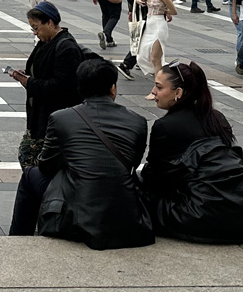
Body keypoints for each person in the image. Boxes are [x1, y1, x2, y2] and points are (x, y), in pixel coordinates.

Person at [8, 59, 154, 249]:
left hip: (77, 213)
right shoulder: (138, 121)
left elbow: (46, 165)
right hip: (124, 209)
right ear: (113, 88)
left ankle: (16, 242)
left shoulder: (61, 118)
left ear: (80, 88)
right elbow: (131, 163)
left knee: (30, 175)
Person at [141, 61, 243, 243]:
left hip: (202, 217)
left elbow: (156, 177)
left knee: (137, 188)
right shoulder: (216, 118)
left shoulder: (165, 126)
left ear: (178, 93)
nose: (153, 92)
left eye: (158, 87)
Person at [9, 2, 83, 169]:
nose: (35, 33)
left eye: (36, 27)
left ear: (50, 23)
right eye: (32, 29)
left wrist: (30, 82)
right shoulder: (46, 41)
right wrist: (26, 76)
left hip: (53, 118)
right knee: (30, 158)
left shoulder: (66, 47)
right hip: (40, 116)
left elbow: (64, 86)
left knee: (30, 158)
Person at [133, 0, 177, 90]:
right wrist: (137, 1)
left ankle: (158, 88)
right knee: (141, 56)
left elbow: (174, 10)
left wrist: (165, 11)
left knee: (155, 58)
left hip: (159, 26)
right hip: (149, 26)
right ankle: (163, 79)